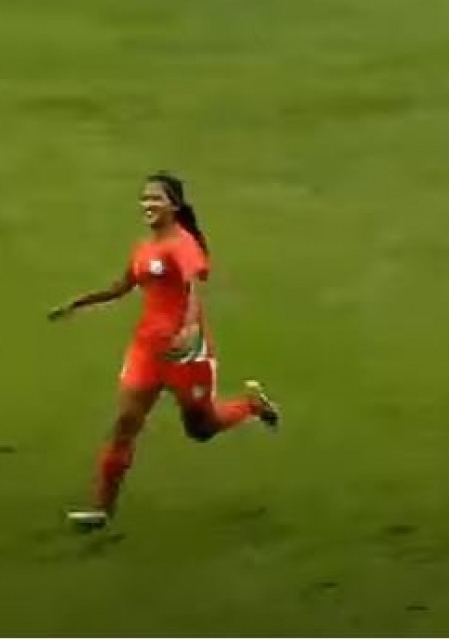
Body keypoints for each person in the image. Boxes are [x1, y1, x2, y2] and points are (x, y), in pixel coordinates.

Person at [48, 173, 280, 531]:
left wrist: (189, 328)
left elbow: (193, 285)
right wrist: (79, 303)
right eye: (144, 198)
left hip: (186, 353)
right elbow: (121, 286)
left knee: (201, 428)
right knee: (124, 424)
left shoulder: (182, 244)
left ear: (174, 204)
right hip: (147, 350)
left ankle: (252, 406)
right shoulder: (144, 248)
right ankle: (101, 510)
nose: (148, 204)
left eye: (156, 198)